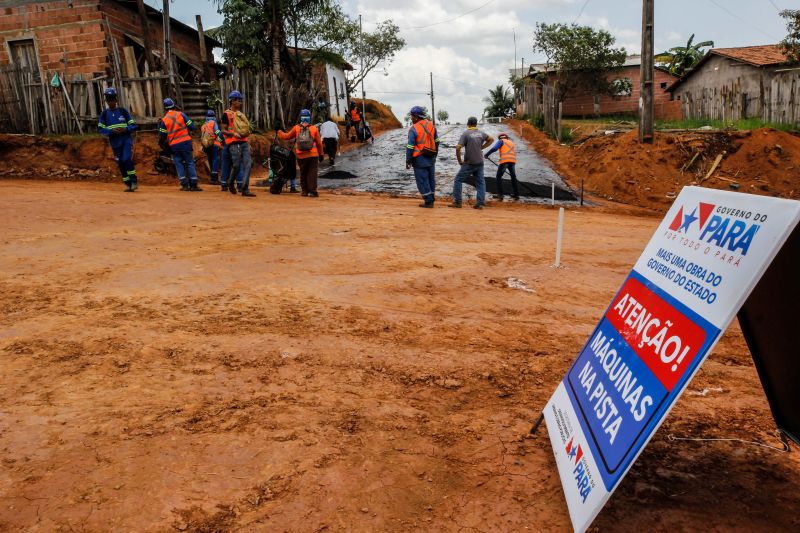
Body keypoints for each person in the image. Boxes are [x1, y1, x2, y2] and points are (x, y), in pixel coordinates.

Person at [98, 87, 138, 192]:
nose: (111, 102)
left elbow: (133, 126)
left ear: (116, 100)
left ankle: (134, 181)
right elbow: (100, 129)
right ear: (106, 101)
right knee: (120, 162)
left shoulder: (123, 111)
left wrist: (126, 129)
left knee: (126, 159)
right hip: (115, 143)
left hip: (126, 140)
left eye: (112, 99)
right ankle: (128, 184)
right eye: (109, 100)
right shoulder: (104, 114)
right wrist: (111, 131)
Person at [277, 109, 324, 197]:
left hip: (300, 155)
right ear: (309, 117)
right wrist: (321, 154)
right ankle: (313, 191)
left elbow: (286, 136)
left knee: (303, 172)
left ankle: (304, 191)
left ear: (301, 118)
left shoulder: (297, 128)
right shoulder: (314, 128)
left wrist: (279, 132)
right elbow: (319, 143)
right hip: (313, 155)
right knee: (312, 173)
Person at [158, 98, 201, 191]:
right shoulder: (181, 114)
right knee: (189, 162)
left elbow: (162, 136)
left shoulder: (164, 120)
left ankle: (184, 185)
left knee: (178, 163)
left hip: (174, 145)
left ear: (165, 108)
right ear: (174, 105)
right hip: (186, 143)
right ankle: (193, 185)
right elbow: (192, 127)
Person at [451, 117, 493, 209]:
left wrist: (459, 161)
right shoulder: (481, 133)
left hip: (469, 162)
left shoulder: (466, 134)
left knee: (458, 179)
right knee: (480, 182)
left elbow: (458, 148)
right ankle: (480, 203)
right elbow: (491, 139)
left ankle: (457, 202)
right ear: (476, 124)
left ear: (468, 124)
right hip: (479, 162)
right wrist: (481, 147)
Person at [220, 90, 256, 197]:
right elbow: (223, 130)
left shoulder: (241, 114)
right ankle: (230, 182)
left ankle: (245, 189)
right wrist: (233, 134)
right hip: (233, 143)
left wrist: (248, 142)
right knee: (236, 165)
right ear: (232, 101)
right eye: (238, 100)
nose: (240, 102)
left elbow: (245, 129)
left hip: (244, 142)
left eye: (241, 100)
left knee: (248, 165)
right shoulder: (226, 114)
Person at [405, 105, 439, 208]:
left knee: (422, 180)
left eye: (411, 116)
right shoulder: (431, 125)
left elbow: (410, 146)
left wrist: (408, 160)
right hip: (431, 157)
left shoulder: (413, 129)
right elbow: (437, 141)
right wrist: (434, 153)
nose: (411, 118)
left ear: (415, 117)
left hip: (419, 159)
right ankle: (431, 198)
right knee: (431, 179)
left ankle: (428, 201)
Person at [484, 132, 520, 200]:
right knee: (513, 177)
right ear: (506, 137)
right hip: (512, 161)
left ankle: (500, 195)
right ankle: (516, 194)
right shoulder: (511, 143)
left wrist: (487, 154)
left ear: (500, 137)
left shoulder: (501, 141)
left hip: (505, 161)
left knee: (498, 177)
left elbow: (494, 148)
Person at [201, 110, 223, 185]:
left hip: (206, 145)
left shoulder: (204, 125)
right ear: (214, 117)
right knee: (215, 160)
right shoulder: (213, 123)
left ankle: (212, 177)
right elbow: (217, 132)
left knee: (210, 160)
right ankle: (214, 179)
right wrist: (221, 138)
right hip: (214, 144)